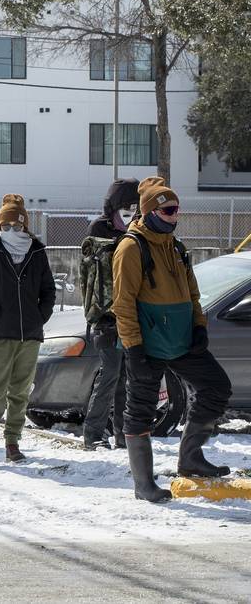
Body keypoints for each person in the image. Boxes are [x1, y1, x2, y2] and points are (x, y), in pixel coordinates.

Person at [113, 177, 233, 503]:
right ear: (151, 210)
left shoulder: (175, 246)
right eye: (168, 209)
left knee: (216, 387)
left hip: (181, 342)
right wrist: (134, 346)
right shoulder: (130, 248)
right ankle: (143, 484)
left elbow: (193, 293)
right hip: (148, 345)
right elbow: (122, 303)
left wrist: (199, 326)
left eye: (177, 209)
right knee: (140, 411)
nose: (174, 215)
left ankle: (191, 458)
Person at [0, 194, 57, 472]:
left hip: (29, 335)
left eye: (16, 226)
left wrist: (39, 317)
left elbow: (48, 291)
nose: (10, 231)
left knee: (20, 393)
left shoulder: (37, 251)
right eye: (5, 225)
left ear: (24, 225)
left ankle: (12, 443)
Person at [79, 178, 141, 450]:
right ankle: (93, 433)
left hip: (130, 316)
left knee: (126, 377)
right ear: (113, 208)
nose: (129, 220)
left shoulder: (137, 231)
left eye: (134, 214)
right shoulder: (99, 229)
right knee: (109, 374)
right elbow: (94, 274)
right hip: (105, 316)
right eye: (125, 213)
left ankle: (121, 433)